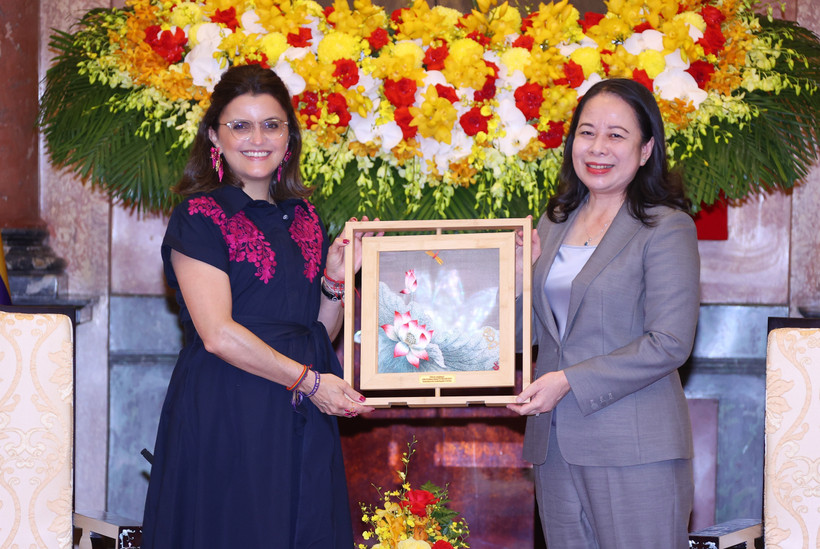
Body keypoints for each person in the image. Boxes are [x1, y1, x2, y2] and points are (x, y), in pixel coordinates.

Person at [142, 64, 375, 548]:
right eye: (240, 125)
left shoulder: (305, 217)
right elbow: (218, 334)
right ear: (215, 136)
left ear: (289, 136)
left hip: (298, 407)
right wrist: (311, 383)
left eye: (271, 124)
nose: (257, 138)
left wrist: (334, 277)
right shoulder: (199, 217)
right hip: (229, 406)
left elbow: (313, 332)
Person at [507, 78, 700, 549]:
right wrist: (518, 279)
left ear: (646, 148)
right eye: (587, 132)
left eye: (617, 135)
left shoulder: (666, 228)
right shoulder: (553, 223)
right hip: (554, 447)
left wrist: (569, 380)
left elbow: (670, 342)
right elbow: (525, 336)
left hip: (635, 446)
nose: (598, 147)